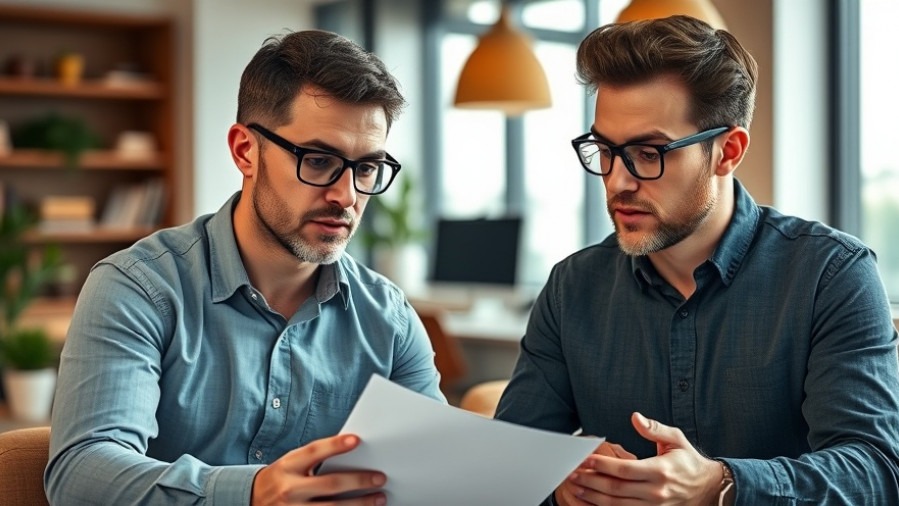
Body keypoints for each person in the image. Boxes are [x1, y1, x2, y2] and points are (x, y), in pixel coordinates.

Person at [495, 15, 899, 506]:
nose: (618, 181)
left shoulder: (830, 275)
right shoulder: (571, 287)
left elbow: (875, 472)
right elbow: (508, 471)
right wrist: (563, 481)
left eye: (648, 152)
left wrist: (721, 485)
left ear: (727, 151)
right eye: (604, 149)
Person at [45, 30, 444, 505]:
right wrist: (249, 493)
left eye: (366, 169)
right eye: (318, 161)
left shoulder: (389, 319)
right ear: (245, 151)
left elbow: (432, 472)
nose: (347, 195)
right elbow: (80, 473)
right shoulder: (138, 288)